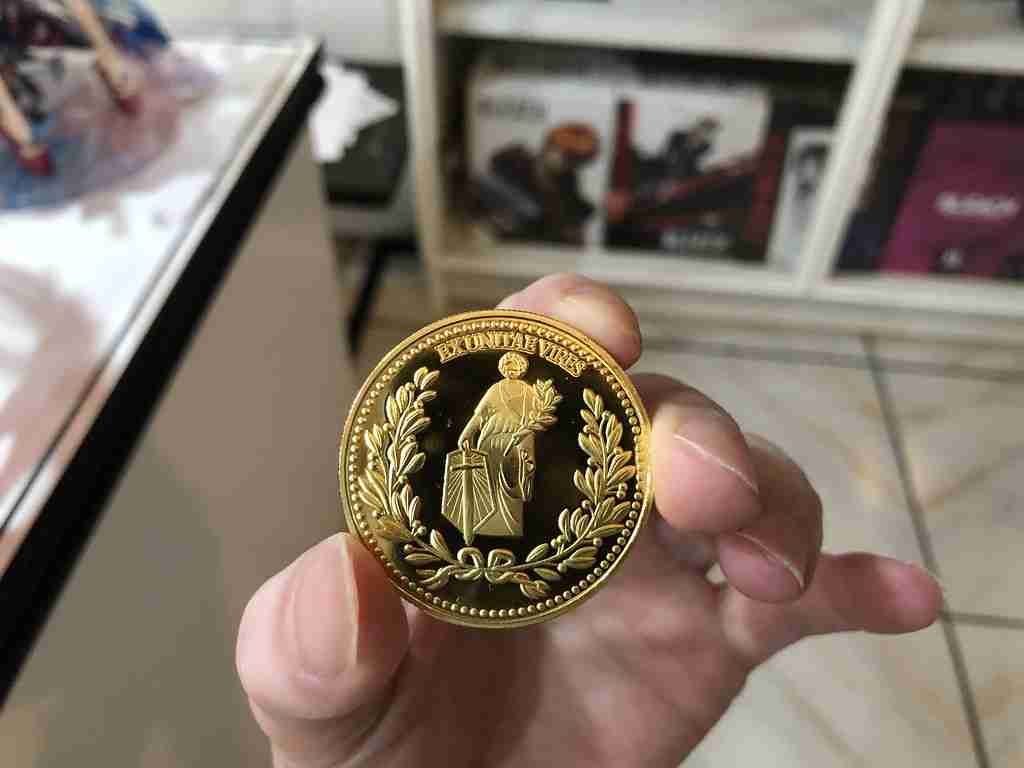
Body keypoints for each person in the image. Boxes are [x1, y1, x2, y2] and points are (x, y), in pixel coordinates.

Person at [235, 274, 942, 768]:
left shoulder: (521, 398)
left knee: (667, 473)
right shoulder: (496, 398)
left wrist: (527, 428)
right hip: (488, 464)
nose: (511, 375)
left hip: (515, 465)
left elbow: (528, 423)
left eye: (515, 372)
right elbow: (479, 427)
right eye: (508, 372)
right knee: (479, 475)